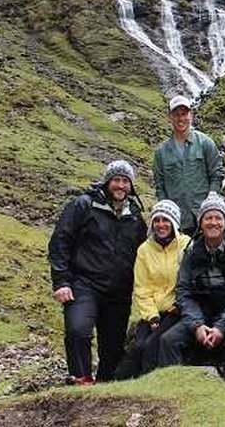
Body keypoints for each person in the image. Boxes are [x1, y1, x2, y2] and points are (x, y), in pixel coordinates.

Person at [48, 160, 147, 385]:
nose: (120, 185)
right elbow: (60, 241)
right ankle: (81, 381)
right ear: (107, 182)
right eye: (116, 180)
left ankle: (104, 388)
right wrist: (61, 281)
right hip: (84, 284)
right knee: (78, 331)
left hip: (119, 292)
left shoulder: (135, 216)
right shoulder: (83, 206)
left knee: (113, 346)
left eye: (125, 181)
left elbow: (143, 255)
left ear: (131, 185)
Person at [157, 192, 225, 388]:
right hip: (203, 310)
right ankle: (171, 393)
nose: (213, 222)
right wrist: (197, 325)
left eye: (218, 218)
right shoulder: (191, 251)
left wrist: (221, 326)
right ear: (200, 223)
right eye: (208, 218)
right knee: (168, 340)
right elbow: (184, 291)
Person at [114, 200, 191, 380]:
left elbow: (191, 281)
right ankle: (119, 385)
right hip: (153, 312)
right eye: (157, 220)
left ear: (174, 222)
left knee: (152, 346)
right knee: (138, 347)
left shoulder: (186, 245)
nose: (161, 225)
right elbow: (142, 288)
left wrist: (180, 305)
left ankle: (149, 386)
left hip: (177, 311)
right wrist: (152, 316)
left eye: (166, 220)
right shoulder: (144, 250)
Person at [153, 95, 223, 235]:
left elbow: (217, 174)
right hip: (177, 220)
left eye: (184, 114)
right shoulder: (161, 152)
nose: (180, 119)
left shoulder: (205, 143)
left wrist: (211, 198)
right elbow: (160, 185)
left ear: (191, 115)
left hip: (204, 217)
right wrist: (166, 212)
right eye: (176, 115)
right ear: (169, 117)